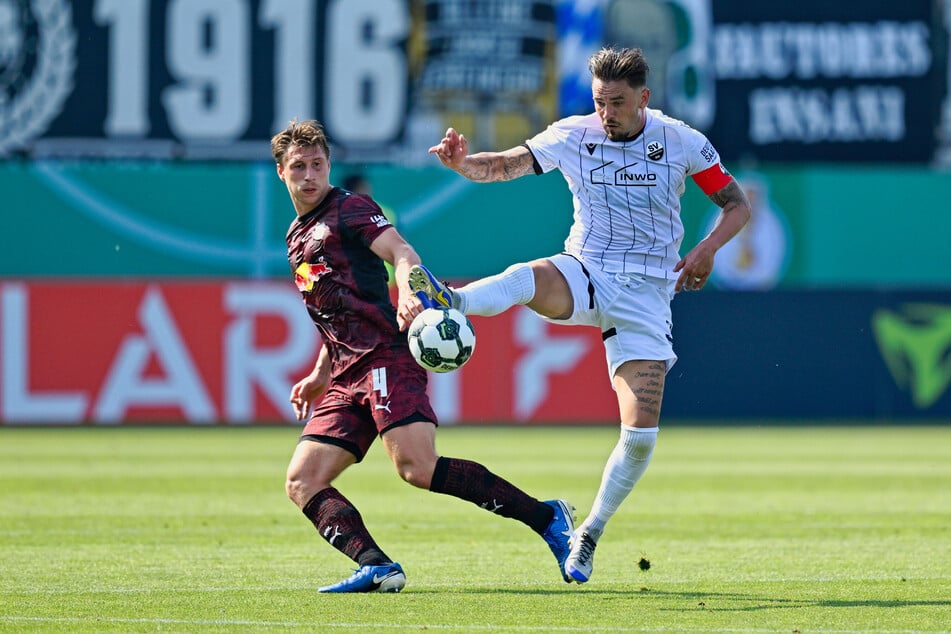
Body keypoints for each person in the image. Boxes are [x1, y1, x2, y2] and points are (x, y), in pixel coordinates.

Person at [411, 47, 751, 583]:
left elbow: (737, 204)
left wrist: (707, 249)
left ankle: (587, 532)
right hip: (587, 268)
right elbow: (505, 165)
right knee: (531, 276)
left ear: (644, 97)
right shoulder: (575, 134)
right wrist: (462, 164)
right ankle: (454, 301)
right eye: (599, 101)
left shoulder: (681, 140)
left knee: (640, 437)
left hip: (647, 296)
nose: (607, 112)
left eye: (617, 102)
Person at [271, 119, 575, 593]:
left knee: (416, 467)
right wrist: (317, 374)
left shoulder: (350, 208)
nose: (309, 175)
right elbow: (335, 315)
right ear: (281, 173)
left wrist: (411, 289)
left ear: (328, 165)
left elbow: (401, 250)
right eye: (298, 167)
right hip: (345, 374)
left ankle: (546, 517)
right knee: (302, 480)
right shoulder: (296, 234)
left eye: (317, 164)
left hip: (386, 359)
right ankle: (376, 566)